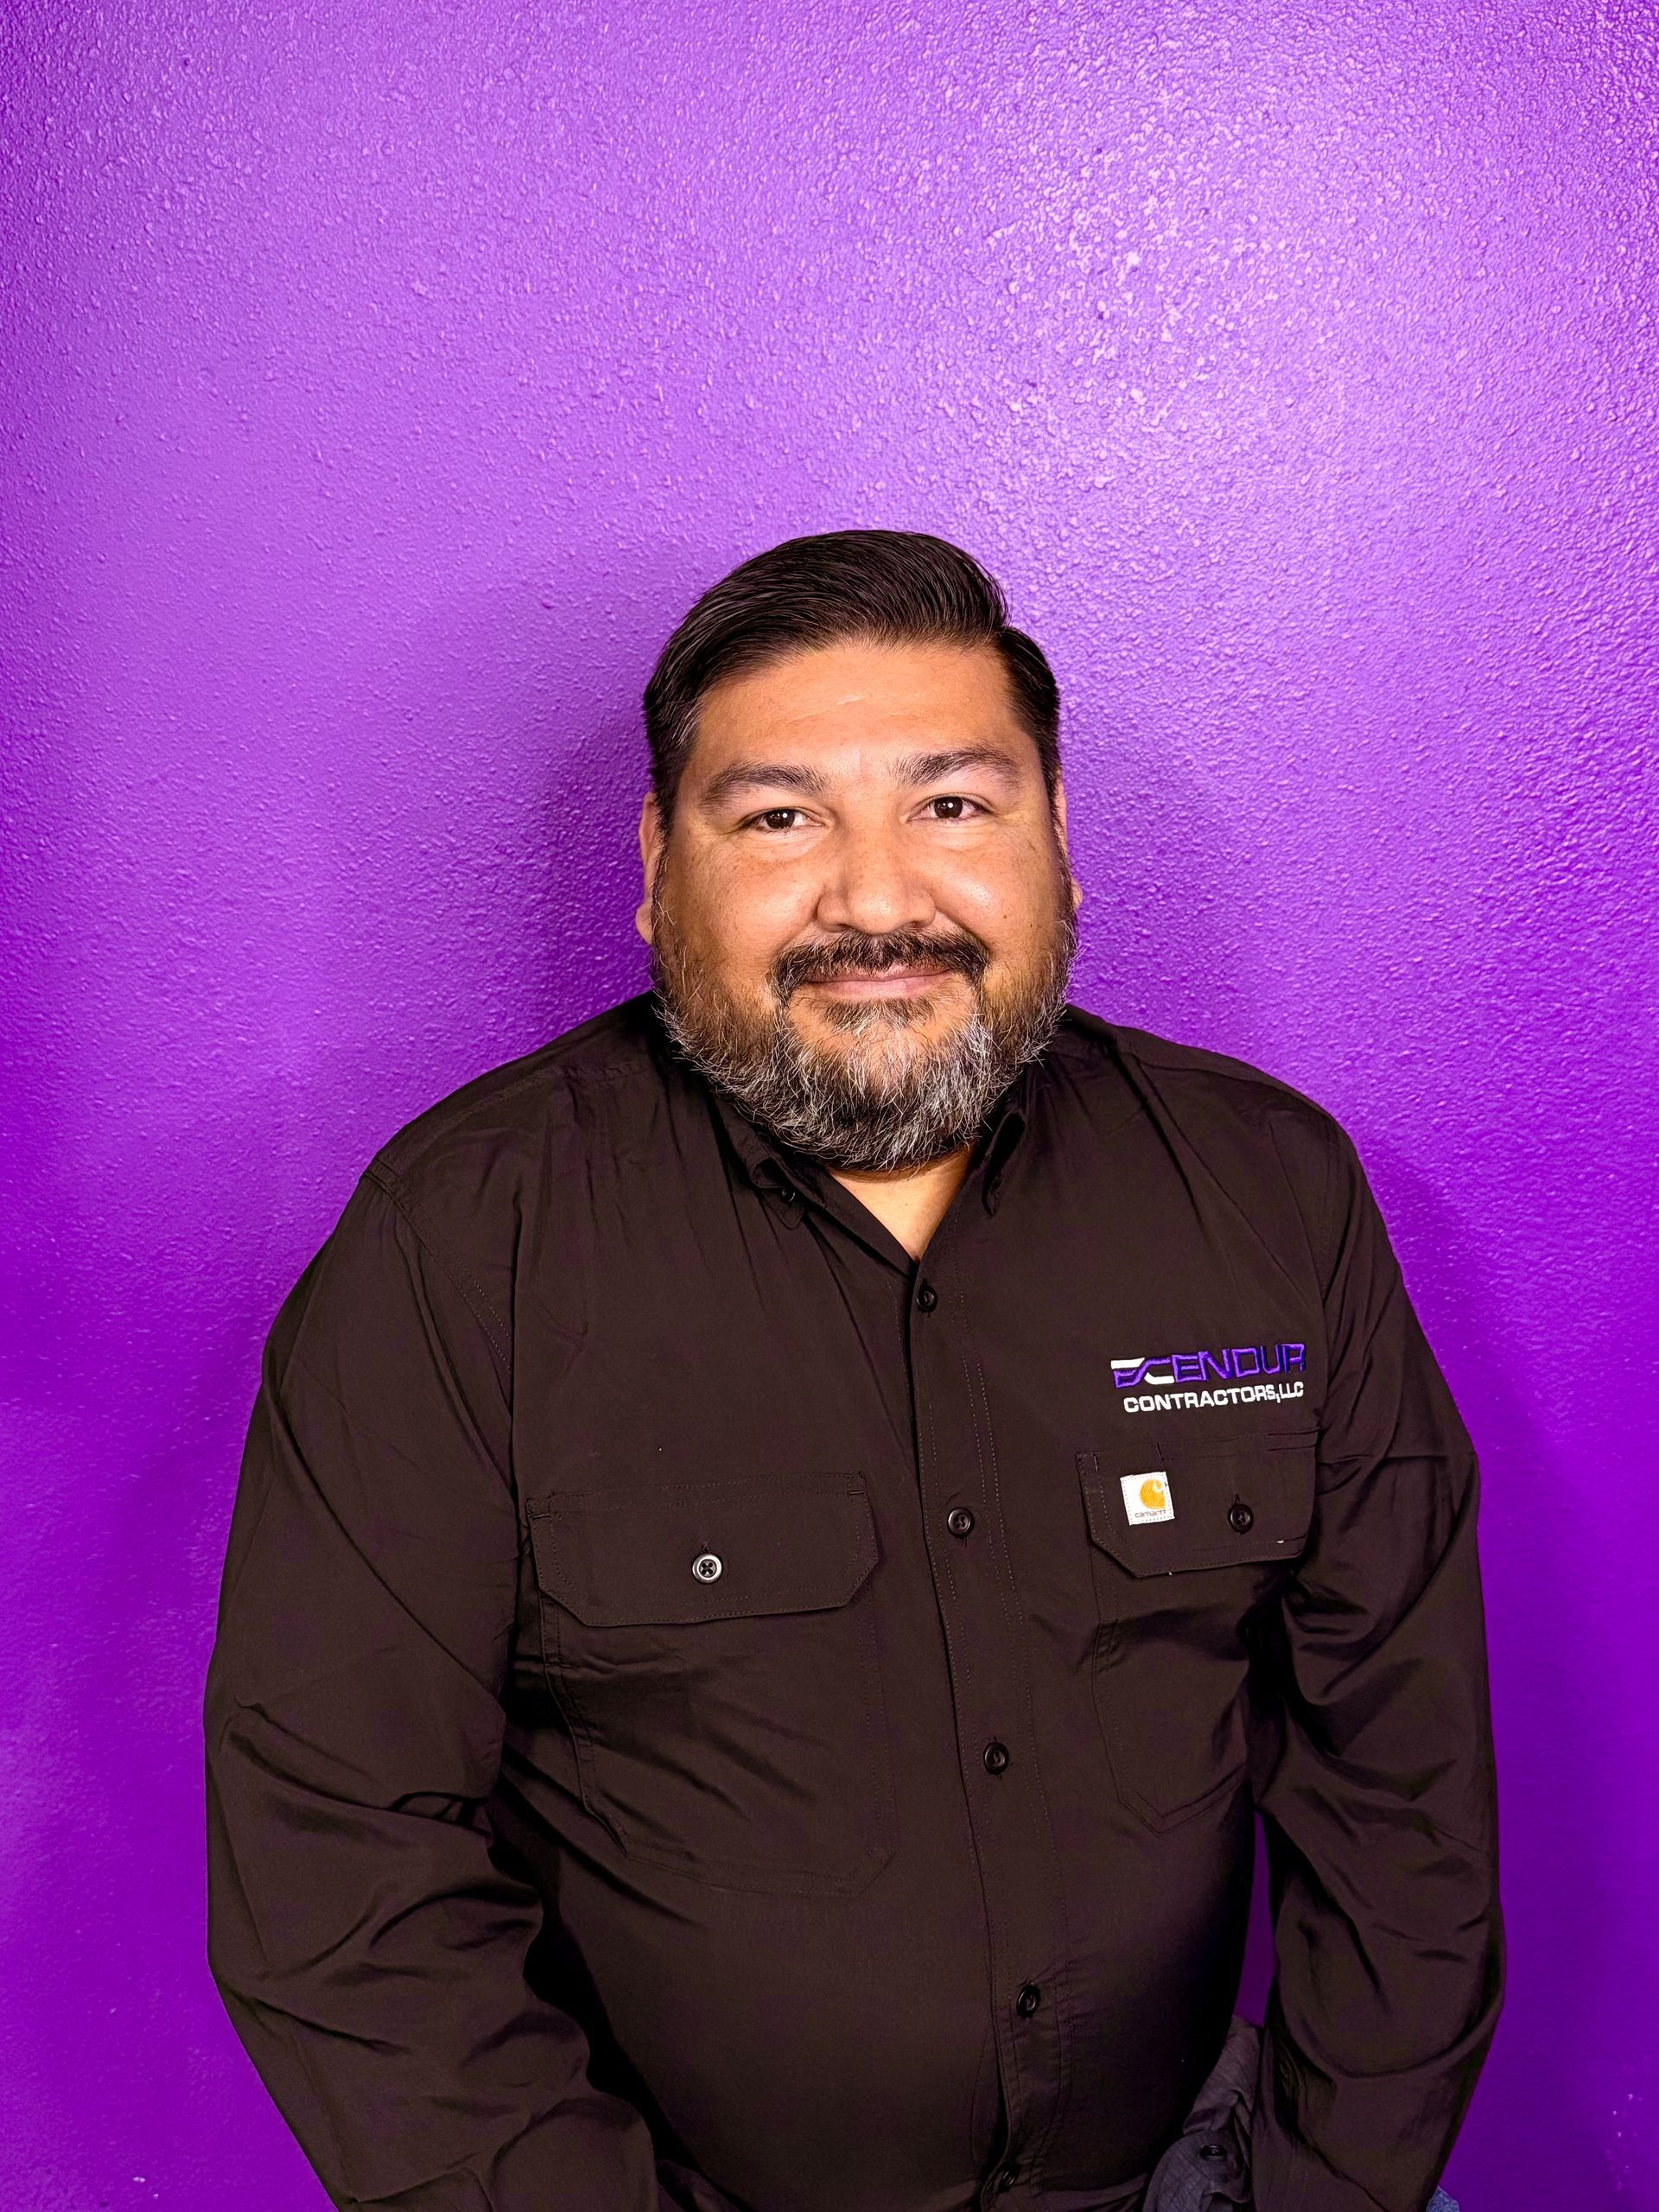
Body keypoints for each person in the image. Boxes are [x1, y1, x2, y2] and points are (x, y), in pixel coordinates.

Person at [204, 530, 1502, 2212]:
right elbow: (338, 1855)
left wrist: (1328, 2186)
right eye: (779, 815)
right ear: (658, 868)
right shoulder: (460, 1246)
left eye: (954, 805)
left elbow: (1400, 1782)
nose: (877, 896)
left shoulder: (1271, 1192)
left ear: (1059, 850)